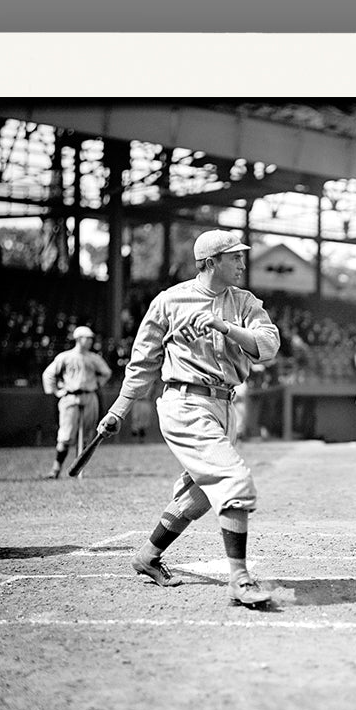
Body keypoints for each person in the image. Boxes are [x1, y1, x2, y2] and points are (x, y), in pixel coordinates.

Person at [96, 229, 281, 607]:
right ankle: (240, 580)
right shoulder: (169, 301)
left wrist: (225, 327)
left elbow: (269, 345)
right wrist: (119, 409)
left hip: (225, 405)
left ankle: (147, 556)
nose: (243, 264)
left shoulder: (245, 303)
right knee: (233, 479)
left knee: (198, 494)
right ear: (211, 262)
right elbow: (143, 362)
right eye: (235, 258)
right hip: (185, 403)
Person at [42, 325, 113, 478]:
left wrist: (97, 383)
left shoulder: (93, 358)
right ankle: (56, 468)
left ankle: (79, 469)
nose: (90, 341)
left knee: (87, 436)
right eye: (87, 338)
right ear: (79, 339)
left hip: (89, 396)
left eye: (90, 338)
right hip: (70, 397)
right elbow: (48, 374)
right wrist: (56, 391)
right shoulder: (65, 357)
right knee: (66, 435)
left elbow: (106, 373)